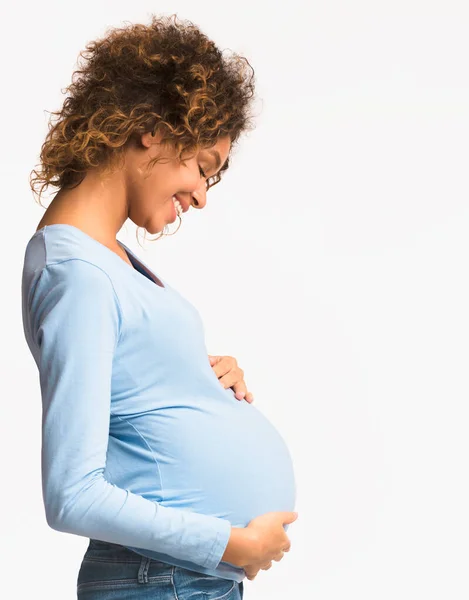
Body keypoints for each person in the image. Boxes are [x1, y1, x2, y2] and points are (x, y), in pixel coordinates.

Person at [21, 14, 297, 600]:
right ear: (152, 130)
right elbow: (73, 493)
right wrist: (230, 545)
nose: (200, 195)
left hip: (174, 579)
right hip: (162, 579)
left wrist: (203, 382)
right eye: (203, 167)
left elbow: (137, 399)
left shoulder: (105, 260)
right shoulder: (79, 274)